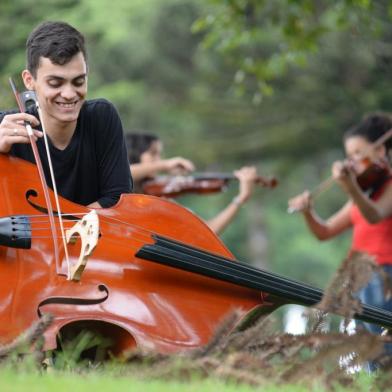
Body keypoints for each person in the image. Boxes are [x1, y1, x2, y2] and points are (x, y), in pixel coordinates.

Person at [288, 113, 392, 369]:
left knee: (383, 342)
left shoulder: (384, 187)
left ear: (380, 149)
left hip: (384, 273)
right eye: (349, 154)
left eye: (358, 152)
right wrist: (307, 212)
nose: (352, 161)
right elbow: (324, 232)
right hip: (357, 275)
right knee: (367, 346)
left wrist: (350, 187)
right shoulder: (363, 190)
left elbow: (375, 214)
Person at [0, 21, 132, 208]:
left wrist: (68, 232)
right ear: (29, 80)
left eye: (78, 81)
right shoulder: (5, 128)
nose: (69, 94)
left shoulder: (102, 117)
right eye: (55, 83)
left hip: (98, 237)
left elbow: (118, 200)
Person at [126, 132, 259, 235]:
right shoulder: (118, 191)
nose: (159, 159)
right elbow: (124, 173)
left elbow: (208, 231)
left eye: (160, 155)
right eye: (153, 154)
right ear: (134, 154)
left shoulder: (160, 197)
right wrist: (165, 165)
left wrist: (241, 198)